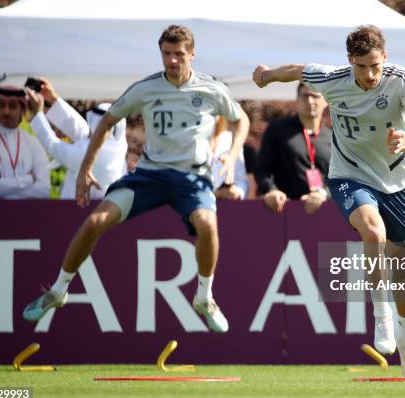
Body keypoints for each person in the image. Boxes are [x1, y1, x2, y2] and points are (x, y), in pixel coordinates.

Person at [23, 25, 250, 333]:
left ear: (192, 55)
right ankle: (58, 290)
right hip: (150, 175)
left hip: (191, 177)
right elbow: (107, 121)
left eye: (179, 54)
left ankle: (204, 297)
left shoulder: (211, 89)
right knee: (93, 222)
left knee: (208, 225)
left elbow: (242, 119)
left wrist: (233, 152)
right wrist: (85, 168)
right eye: (167, 54)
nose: (172, 61)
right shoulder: (145, 89)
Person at [252, 25, 405, 380]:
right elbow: (295, 70)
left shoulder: (401, 79)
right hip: (349, 175)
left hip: (397, 181)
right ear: (349, 61)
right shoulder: (332, 78)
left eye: (374, 65)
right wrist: (267, 76)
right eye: (361, 66)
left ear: (384, 57)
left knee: (404, 268)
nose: (369, 75)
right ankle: (381, 317)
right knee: (373, 231)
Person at [27, 78, 128, 199]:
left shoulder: (90, 155)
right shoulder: (118, 144)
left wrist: (37, 113)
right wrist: (52, 98)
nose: (89, 129)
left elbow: (52, 145)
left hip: (80, 213)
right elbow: (81, 129)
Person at [255, 82, 332, 213]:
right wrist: (271, 190)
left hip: (325, 210)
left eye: (315, 96)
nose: (309, 100)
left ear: (325, 101)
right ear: (297, 100)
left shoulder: (333, 137)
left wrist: (324, 194)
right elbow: (262, 169)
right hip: (284, 211)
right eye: (304, 96)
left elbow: (342, 178)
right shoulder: (277, 130)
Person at [0, 85, 50, 199]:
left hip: (26, 215)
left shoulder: (33, 143)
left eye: (12, 106)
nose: (6, 111)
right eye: (1, 106)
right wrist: (28, 179)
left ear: (22, 110)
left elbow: (43, 190)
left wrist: (2, 192)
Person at [210, 115, 250, 200]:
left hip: (226, 207)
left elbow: (242, 182)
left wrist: (237, 192)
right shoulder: (188, 141)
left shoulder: (233, 140)